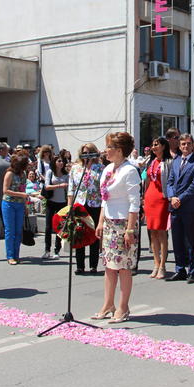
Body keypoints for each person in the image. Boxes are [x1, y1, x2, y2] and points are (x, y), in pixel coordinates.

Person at [92, 132, 141, 323]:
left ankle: (123, 307)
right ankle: (108, 304)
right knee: (109, 266)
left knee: (123, 267)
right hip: (110, 222)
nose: (106, 150)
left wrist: (130, 229)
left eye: (109, 147)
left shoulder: (130, 170)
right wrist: (101, 221)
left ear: (119, 150)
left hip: (124, 223)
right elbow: (105, 199)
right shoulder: (108, 169)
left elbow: (134, 202)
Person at [165, 133, 194, 284]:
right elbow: (169, 182)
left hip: (189, 206)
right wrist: (172, 197)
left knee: (191, 240)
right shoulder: (175, 161)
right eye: (183, 144)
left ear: (192, 145)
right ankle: (180, 269)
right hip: (175, 206)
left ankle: (192, 271)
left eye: (188, 144)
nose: (185, 147)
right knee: (177, 240)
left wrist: (180, 199)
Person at [68, 143, 105, 274]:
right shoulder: (76, 168)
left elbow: (103, 188)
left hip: (95, 204)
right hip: (80, 204)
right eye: (84, 153)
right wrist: (69, 206)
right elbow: (71, 189)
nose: (87, 155)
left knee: (94, 235)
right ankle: (80, 265)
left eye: (89, 152)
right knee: (80, 234)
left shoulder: (100, 168)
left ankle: (93, 265)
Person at [144, 137, 173, 279]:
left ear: (163, 146)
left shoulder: (169, 162)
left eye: (156, 144)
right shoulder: (151, 162)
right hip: (150, 198)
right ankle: (155, 263)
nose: (154, 147)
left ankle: (162, 265)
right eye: (153, 144)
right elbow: (147, 180)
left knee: (161, 233)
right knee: (152, 233)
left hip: (162, 199)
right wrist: (143, 198)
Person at [1, 153, 29, 265]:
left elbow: (24, 189)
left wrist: (25, 205)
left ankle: (16, 254)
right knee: (10, 230)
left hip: (20, 204)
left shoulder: (24, 174)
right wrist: (21, 195)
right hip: (9, 203)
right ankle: (10, 255)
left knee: (18, 230)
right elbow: (5, 190)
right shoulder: (9, 174)